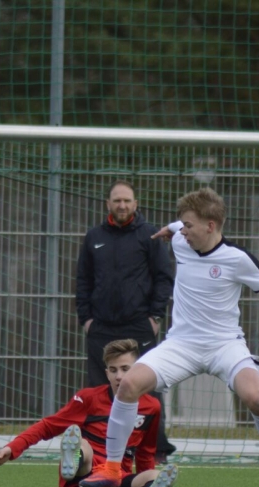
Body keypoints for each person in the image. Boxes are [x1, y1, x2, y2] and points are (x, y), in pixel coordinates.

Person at [80, 188, 259, 487]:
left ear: (210, 226)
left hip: (225, 345)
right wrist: (168, 228)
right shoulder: (182, 241)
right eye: (181, 225)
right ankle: (113, 468)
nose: (182, 231)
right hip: (181, 344)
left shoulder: (237, 258)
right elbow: (175, 227)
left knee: (257, 400)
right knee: (128, 385)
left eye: (188, 225)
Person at [0, 338, 178, 487]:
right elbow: (48, 426)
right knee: (82, 444)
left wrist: (144, 478)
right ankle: (73, 462)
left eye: (126, 369)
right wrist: (12, 448)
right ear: (106, 373)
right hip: (82, 479)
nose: (119, 376)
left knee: (153, 475)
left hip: (116, 481)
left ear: (138, 370)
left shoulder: (151, 407)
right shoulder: (89, 398)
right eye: (113, 370)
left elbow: (145, 451)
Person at [75, 180, 176, 461]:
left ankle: (155, 451)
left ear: (135, 204)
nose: (122, 205)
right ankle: (98, 450)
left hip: (138, 326)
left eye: (127, 201)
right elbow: (83, 280)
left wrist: (154, 316)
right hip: (101, 327)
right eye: (117, 200)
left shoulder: (149, 236)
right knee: (99, 390)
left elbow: (164, 278)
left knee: (146, 387)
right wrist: (86, 319)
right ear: (108, 204)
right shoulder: (94, 236)